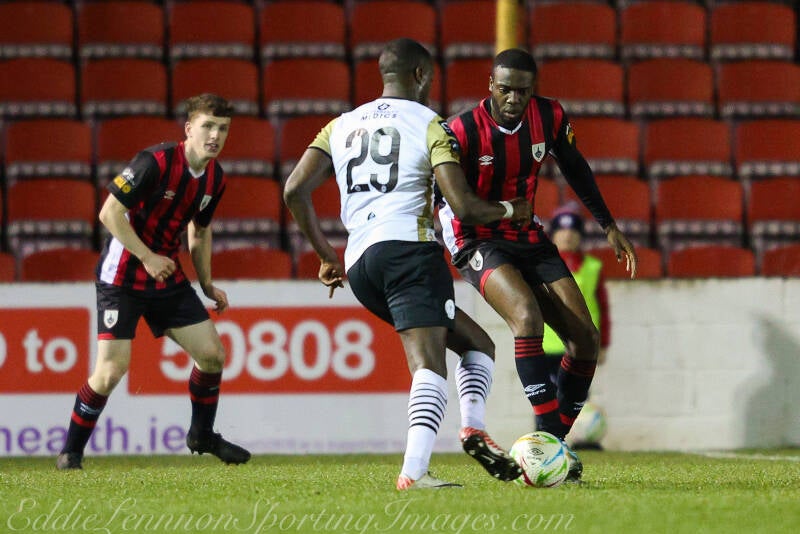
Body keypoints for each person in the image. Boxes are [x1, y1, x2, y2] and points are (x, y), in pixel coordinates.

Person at [283, 38, 531, 490]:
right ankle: (414, 473)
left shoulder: (340, 125)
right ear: (420, 76)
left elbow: (294, 191)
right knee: (429, 365)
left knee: (477, 346)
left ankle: (473, 428)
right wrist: (513, 210)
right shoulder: (430, 124)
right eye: (430, 79)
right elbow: (464, 205)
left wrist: (326, 255)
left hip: (360, 264)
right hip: (409, 251)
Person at [437, 48, 638, 482]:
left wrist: (607, 225)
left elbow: (576, 167)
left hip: (528, 234)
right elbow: (456, 204)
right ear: (490, 85)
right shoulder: (462, 129)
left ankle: (552, 446)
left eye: (522, 91)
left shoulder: (549, 117)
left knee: (585, 339)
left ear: (533, 90)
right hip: (476, 236)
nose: (513, 98)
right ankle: (550, 441)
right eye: (505, 88)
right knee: (526, 317)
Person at [56, 93, 250, 470]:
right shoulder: (155, 162)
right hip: (123, 275)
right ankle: (71, 452)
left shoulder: (215, 178)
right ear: (189, 128)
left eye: (223, 129)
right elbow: (109, 213)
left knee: (212, 355)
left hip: (166, 276)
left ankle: (201, 435)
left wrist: (207, 284)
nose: (215, 135)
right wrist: (146, 256)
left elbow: (200, 232)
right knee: (111, 372)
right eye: (208, 126)